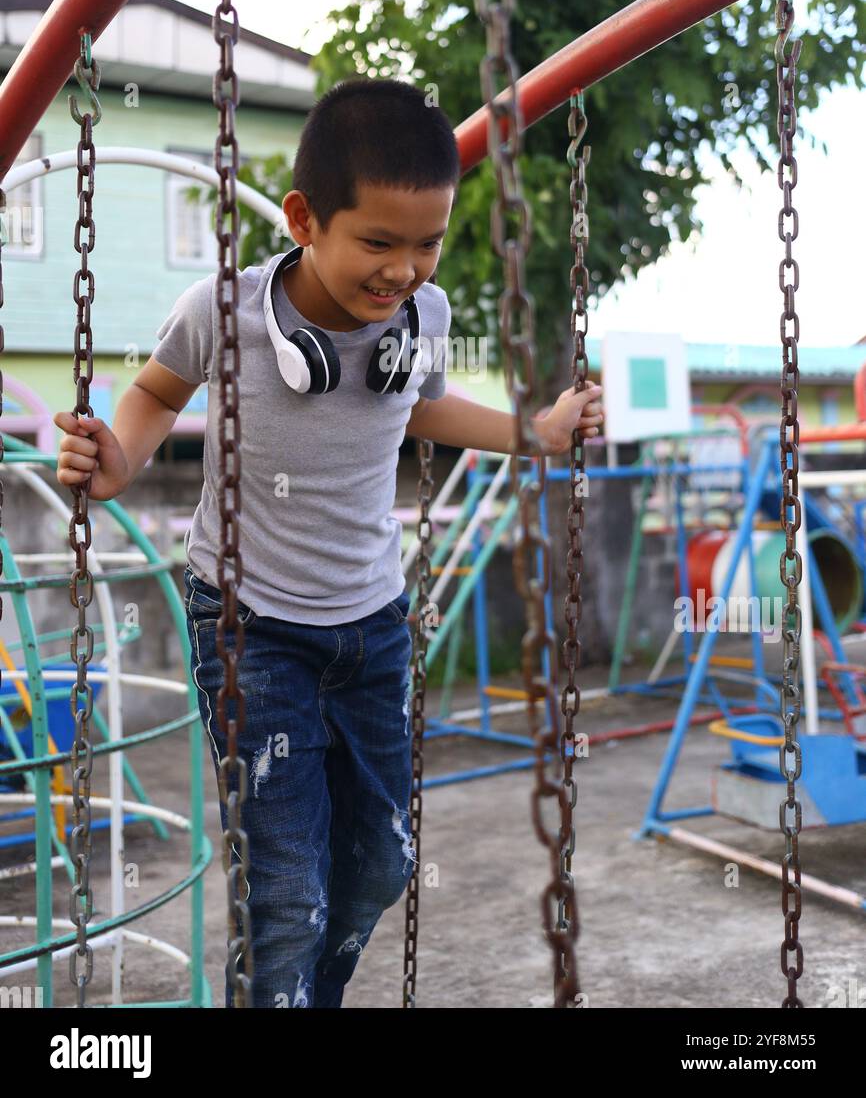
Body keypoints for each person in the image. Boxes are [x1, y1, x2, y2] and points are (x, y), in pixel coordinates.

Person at [54, 76, 604, 1008]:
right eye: (379, 244)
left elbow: (425, 405)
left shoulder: (420, 318)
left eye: (426, 243)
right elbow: (152, 393)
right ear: (305, 219)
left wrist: (537, 431)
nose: (404, 271)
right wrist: (119, 459)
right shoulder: (222, 312)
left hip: (373, 625)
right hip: (251, 628)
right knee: (289, 895)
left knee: (382, 866)